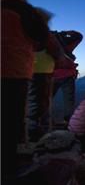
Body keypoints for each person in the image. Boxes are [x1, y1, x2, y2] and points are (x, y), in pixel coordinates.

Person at [1, 0, 50, 185]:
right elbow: (41, 39)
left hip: (12, 70)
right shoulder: (22, 10)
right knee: (9, 124)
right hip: (12, 73)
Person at [26, 10, 64, 140]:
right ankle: (33, 132)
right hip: (42, 71)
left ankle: (27, 129)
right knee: (38, 101)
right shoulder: (43, 33)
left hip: (24, 69)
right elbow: (57, 52)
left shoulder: (24, 30)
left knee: (29, 99)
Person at [52, 30, 83, 125]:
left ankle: (42, 120)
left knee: (46, 99)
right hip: (67, 75)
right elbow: (79, 36)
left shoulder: (50, 43)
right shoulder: (67, 46)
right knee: (69, 101)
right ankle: (69, 122)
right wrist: (64, 32)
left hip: (52, 75)